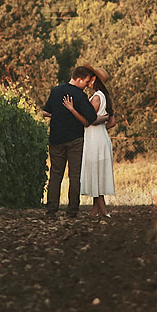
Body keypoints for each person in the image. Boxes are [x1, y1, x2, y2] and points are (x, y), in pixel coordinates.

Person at [43, 69, 94, 215]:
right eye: (86, 81)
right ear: (79, 79)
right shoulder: (80, 95)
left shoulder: (56, 91)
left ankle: (51, 208)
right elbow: (91, 117)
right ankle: (72, 209)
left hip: (56, 138)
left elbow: (46, 111)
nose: (87, 85)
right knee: (75, 175)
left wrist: (59, 114)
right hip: (74, 139)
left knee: (55, 174)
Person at [75, 65, 116, 211]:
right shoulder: (105, 97)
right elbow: (112, 122)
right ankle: (96, 210)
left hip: (94, 139)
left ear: (94, 80)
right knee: (98, 171)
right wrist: (102, 126)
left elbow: (89, 119)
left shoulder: (96, 97)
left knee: (95, 171)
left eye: (90, 78)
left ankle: (102, 209)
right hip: (101, 136)